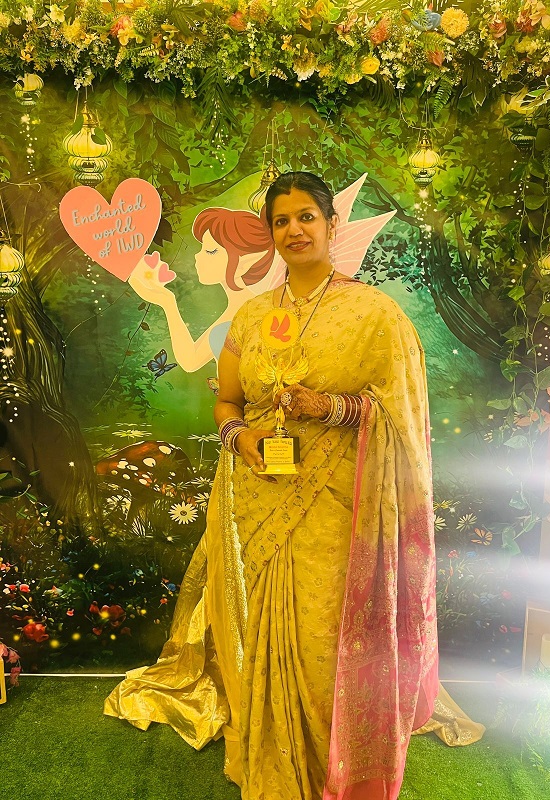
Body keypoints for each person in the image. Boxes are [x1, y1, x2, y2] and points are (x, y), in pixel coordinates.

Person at [105, 172, 441, 799]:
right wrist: (241, 437)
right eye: (281, 221)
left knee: (321, 640)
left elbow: (403, 413)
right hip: (256, 497)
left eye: (306, 216)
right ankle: (275, 752)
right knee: (262, 632)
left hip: (337, 506)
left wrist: (330, 407)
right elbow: (227, 402)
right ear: (271, 234)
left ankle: (334, 766)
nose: (294, 230)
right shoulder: (253, 314)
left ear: (331, 224)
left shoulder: (376, 314)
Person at [128, 207, 276, 370]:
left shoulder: (255, 310)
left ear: (245, 262)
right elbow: (190, 361)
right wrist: (167, 302)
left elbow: (191, 361)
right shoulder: (235, 311)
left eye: (210, 251)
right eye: (202, 249)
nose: (197, 256)